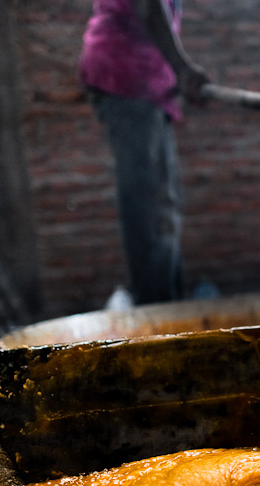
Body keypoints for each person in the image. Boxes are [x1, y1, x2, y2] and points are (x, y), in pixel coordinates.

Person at [79, 0, 208, 305]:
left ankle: (170, 309)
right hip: (128, 77)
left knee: (165, 203)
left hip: (149, 83)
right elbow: (148, 5)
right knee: (151, 208)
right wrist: (182, 69)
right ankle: (158, 317)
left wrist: (173, 73)